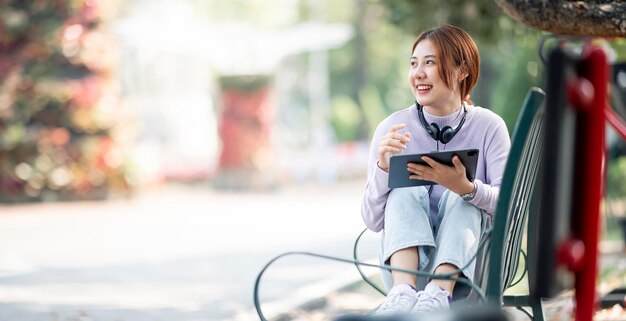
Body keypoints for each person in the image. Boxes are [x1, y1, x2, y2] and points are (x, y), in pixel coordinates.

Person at [360, 24, 511, 315]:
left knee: (461, 197)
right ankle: (402, 293)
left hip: (470, 268)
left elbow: (509, 206)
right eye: (414, 63)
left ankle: (440, 293)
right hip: (408, 268)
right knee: (404, 190)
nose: (418, 73)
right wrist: (383, 168)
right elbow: (372, 220)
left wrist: (466, 188)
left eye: (429, 62)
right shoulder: (392, 129)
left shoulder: (489, 126)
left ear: (462, 70)